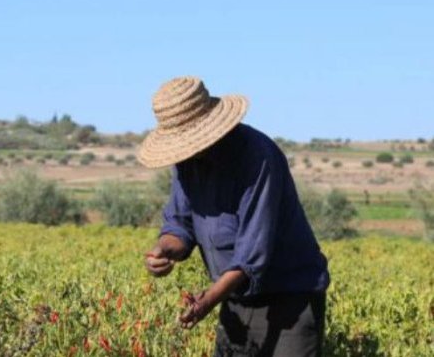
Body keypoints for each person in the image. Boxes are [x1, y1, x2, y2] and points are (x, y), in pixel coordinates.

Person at [138, 77, 330, 357]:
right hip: (234, 297)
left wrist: (208, 301)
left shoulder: (258, 157)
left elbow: (252, 256)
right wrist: (164, 250)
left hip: (290, 297)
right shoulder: (188, 162)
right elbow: (180, 227)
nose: (187, 150)